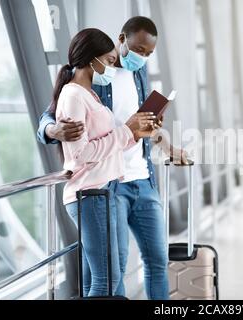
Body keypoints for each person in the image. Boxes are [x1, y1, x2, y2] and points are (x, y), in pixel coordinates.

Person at [37, 17, 187, 300]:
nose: (142, 58)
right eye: (139, 50)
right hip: (106, 185)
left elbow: (137, 127)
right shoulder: (88, 81)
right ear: (122, 40)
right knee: (110, 273)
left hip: (141, 177)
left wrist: (162, 141)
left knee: (155, 259)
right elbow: (54, 114)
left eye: (149, 54)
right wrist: (52, 129)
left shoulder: (137, 74)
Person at [50, 27, 156, 297]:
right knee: (106, 279)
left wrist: (134, 133)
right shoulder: (73, 95)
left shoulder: (90, 94)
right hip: (90, 194)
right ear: (91, 59)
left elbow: (108, 143)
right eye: (109, 61)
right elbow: (82, 153)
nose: (112, 68)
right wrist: (126, 130)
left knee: (102, 278)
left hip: (102, 191)